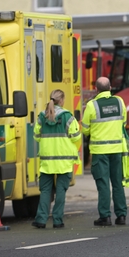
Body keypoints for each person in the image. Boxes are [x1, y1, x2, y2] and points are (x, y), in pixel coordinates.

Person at [81, 77, 128, 226]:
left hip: (100, 151)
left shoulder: (91, 105)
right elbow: (124, 123)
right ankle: (121, 216)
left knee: (103, 184)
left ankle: (105, 216)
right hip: (117, 149)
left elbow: (85, 129)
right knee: (117, 183)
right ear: (110, 87)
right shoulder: (120, 102)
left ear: (96, 89)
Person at [33, 89, 81, 229]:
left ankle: (41, 220)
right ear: (62, 100)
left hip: (47, 161)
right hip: (64, 161)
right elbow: (76, 136)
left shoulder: (42, 116)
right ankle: (57, 220)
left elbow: (36, 136)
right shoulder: (68, 117)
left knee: (45, 191)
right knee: (61, 190)